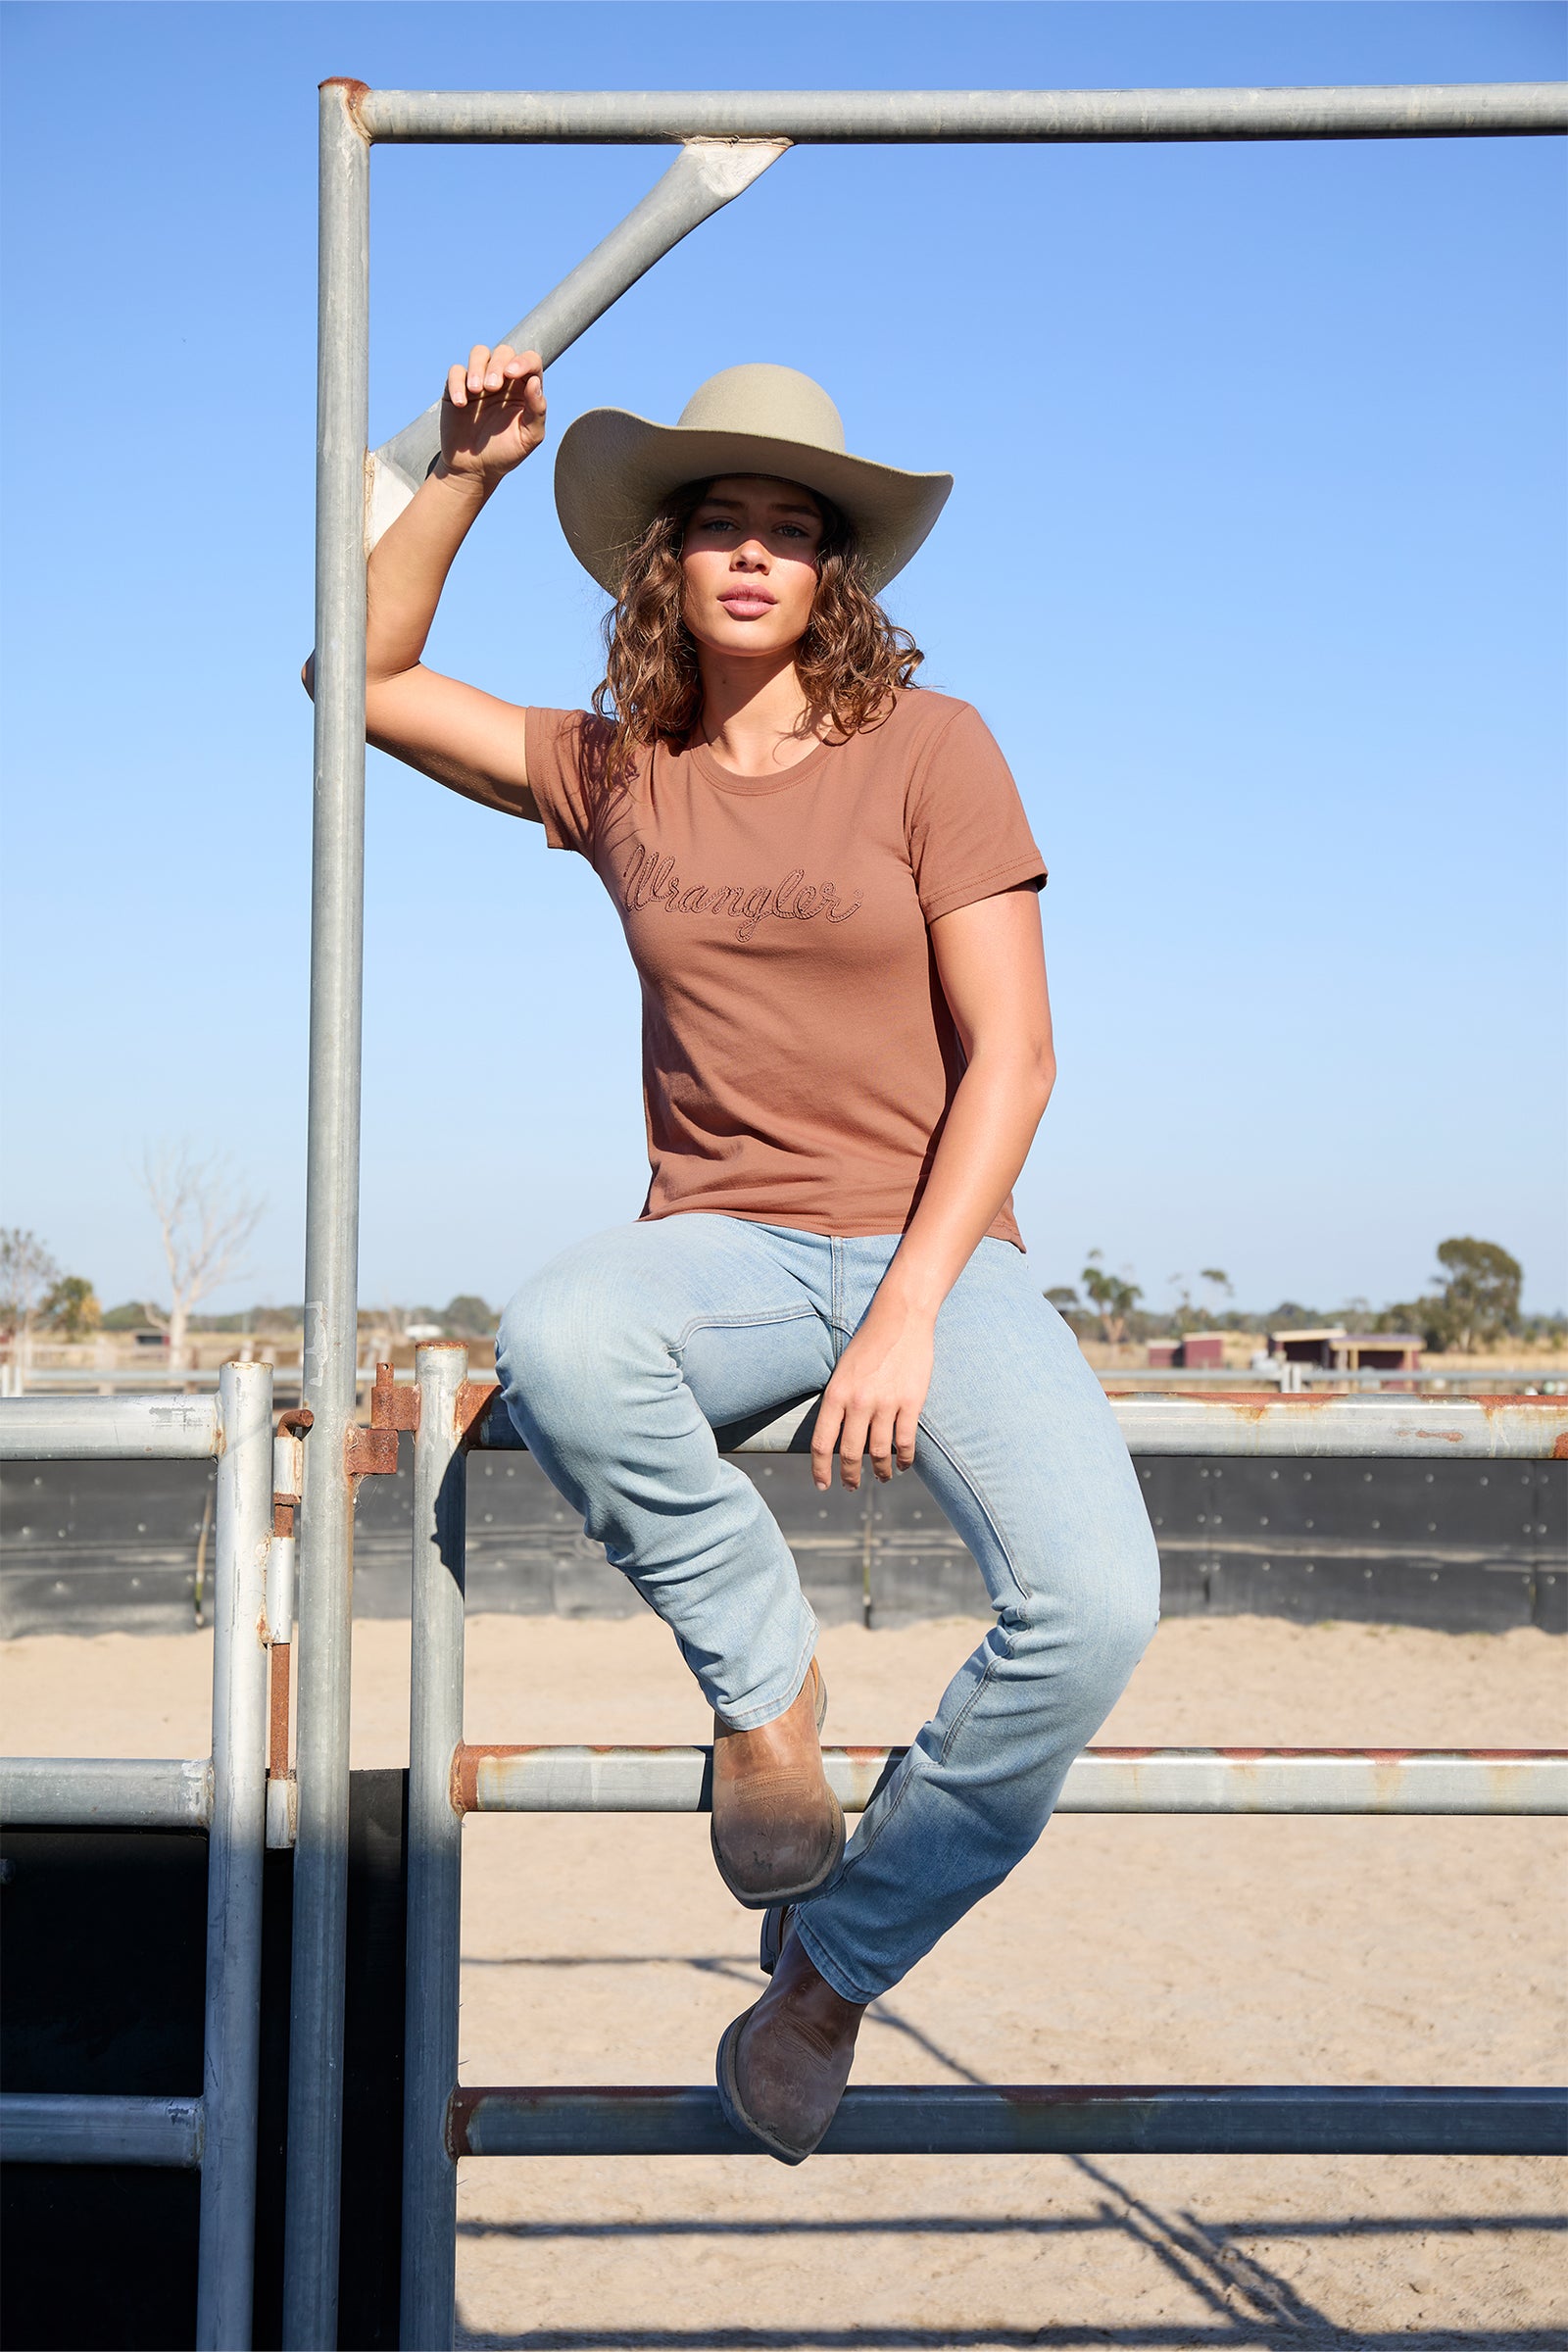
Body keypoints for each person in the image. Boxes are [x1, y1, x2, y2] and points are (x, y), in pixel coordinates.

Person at [341, 342, 1159, 2163]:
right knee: (562, 1339)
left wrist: (911, 1312)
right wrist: (469, 470)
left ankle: (831, 1973)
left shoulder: (933, 747)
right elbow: (362, 679)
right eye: (723, 523)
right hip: (719, 1244)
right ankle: (767, 1689)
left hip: (935, 1246)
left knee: (1096, 1608)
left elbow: (1017, 1057)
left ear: (831, 571)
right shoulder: (616, 769)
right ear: (670, 558)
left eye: (794, 529)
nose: (756, 554)